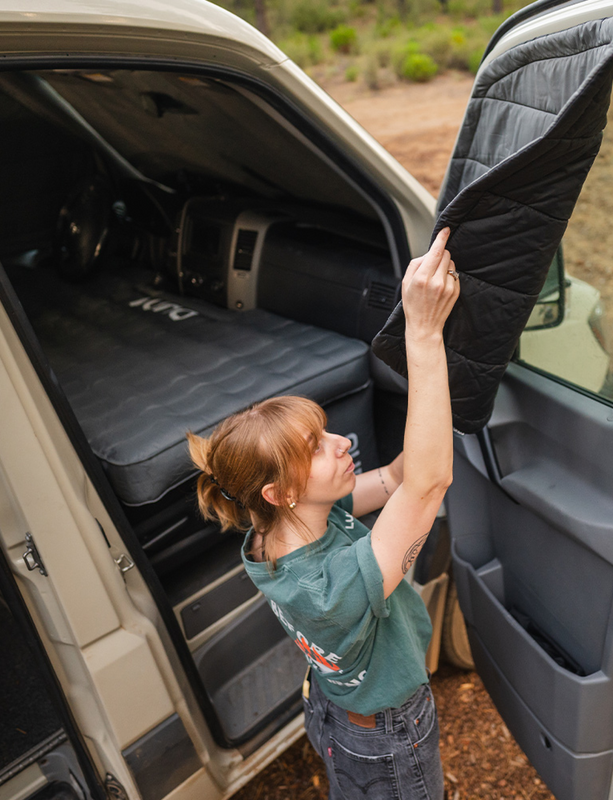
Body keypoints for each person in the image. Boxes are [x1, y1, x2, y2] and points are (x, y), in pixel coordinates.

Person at [187, 227, 459, 800]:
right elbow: (427, 486)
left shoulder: (276, 530)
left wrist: (445, 381)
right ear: (279, 492)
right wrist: (424, 334)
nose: (339, 442)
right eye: (314, 447)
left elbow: (396, 479)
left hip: (333, 712)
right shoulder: (327, 589)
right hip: (387, 736)